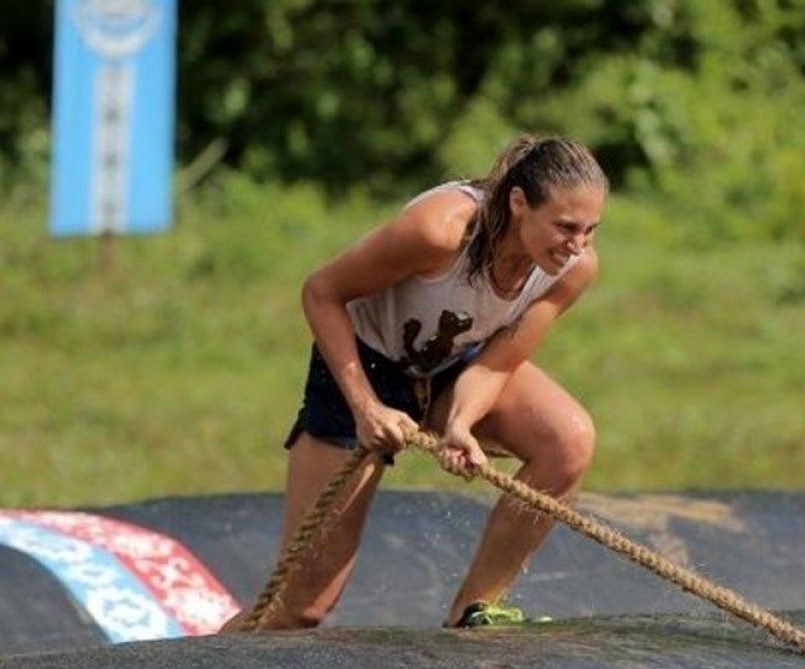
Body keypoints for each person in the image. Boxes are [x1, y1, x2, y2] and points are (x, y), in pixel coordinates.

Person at [221, 134, 607, 631]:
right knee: (300, 607)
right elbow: (321, 292)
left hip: (453, 366)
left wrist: (462, 424)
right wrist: (365, 407)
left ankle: (475, 612)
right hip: (364, 366)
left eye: (590, 231)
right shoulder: (439, 231)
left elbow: (495, 365)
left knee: (568, 440)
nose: (576, 246)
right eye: (565, 227)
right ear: (518, 205)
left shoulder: (572, 271)